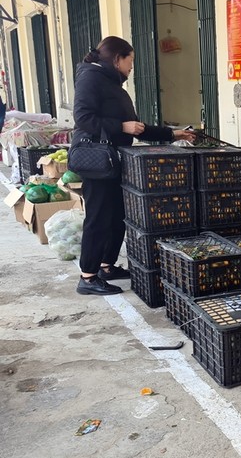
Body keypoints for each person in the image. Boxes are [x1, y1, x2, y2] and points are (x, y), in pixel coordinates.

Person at [72, 36, 195, 295]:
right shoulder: (91, 78)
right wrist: (119, 127)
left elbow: (138, 128)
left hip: (115, 161)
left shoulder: (115, 86)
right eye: (131, 60)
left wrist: (174, 134)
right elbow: (83, 119)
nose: (132, 67)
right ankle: (88, 276)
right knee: (98, 217)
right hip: (98, 161)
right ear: (117, 59)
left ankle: (107, 265)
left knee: (117, 216)